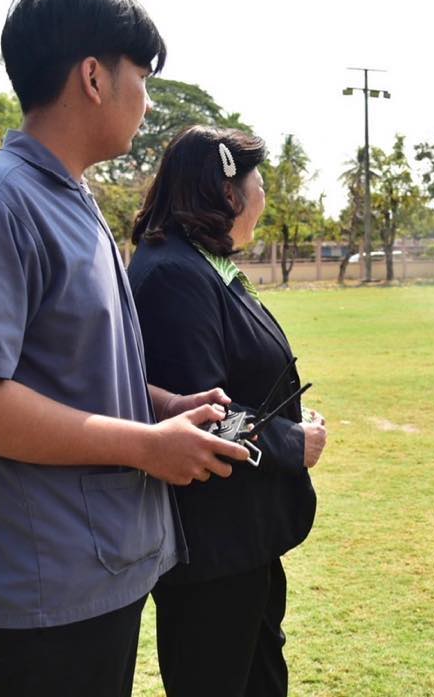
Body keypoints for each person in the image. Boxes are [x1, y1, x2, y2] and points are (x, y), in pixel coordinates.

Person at [0, 0, 251, 697]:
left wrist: (161, 406)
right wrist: (144, 445)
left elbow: (72, 368)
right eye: (142, 78)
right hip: (44, 585)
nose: (146, 101)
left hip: (97, 568)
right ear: (94, 77)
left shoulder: (71, 199)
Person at [127, 126, 328, 696]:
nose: (264, 196)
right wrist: (292, 442)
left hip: (242, 538)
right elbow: (205, 414)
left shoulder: (198, 264)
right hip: (214, 547)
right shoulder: (173, 274)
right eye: (258, 182)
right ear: (227, 191)